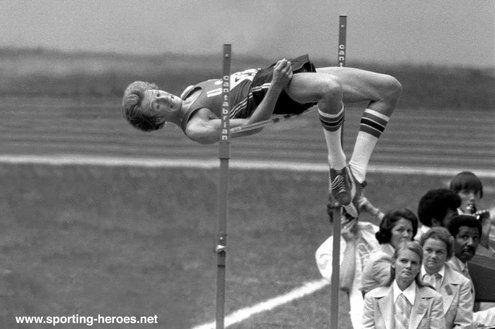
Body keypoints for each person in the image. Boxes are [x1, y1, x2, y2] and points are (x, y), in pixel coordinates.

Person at [122, 55, 402, 217]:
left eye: (157, 93)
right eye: (155, 105)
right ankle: (337, 164)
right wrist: (277, 86)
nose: (162, 98)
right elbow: (253, 127)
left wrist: (277, 79)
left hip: (272, 76)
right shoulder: (196, 126)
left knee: (388, 89)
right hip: (273, 91)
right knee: (330, 89)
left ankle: (356, 173)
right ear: (157, 120)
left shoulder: (188, 93)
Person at [315, 197, 380, 329]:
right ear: (333, 219)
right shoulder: (326, 250)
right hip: (364, 310)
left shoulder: (371, 230)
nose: (345, 220)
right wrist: (351, 243)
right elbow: (344, 283)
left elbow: (404, 237)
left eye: (349, 216)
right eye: (341, 216)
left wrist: (375, 212)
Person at [362, 241, 445, 329]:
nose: (408, 266)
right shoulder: (372, 298)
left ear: (419, 268)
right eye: (404, 261)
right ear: (393, 263)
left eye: (414, 263)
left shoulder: (434, 299)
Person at [446, 215, 495, 327]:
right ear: (451, 239)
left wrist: (484, 240)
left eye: (475, 238)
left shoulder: (463, 266)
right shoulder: (446, 271)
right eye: (464, 237)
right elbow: (458, 321)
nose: (471, 243)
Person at [419, 227, 474, 329]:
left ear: (448, 255)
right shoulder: (409, 275)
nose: (433, 256)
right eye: (429, 250)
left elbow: (464, 325)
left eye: (439, 252)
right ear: (421, 250)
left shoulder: (462, 284)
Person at [361, 208, 419, 295]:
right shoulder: (380, 259)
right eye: (400, 230)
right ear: (388, 232)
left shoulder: (402, 255)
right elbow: (406, 286)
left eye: (409, 231)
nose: (406, 235)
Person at [449, 171, 495, 257]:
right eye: (466, 193)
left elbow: (483, 263)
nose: (472, 198)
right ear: (454, 195)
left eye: (476, 193)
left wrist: (484, 237)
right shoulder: (447, 221)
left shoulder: (483, 222)